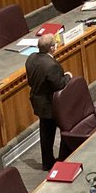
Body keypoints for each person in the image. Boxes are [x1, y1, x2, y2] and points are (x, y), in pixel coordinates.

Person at [25, 34, 70, 170]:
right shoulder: (51, 65)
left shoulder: (31, 58)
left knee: (45, 134)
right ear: (52, 48)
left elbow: (30, 80)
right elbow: (59, 84)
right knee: (66, 128)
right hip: (51, 104)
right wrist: (68, 76)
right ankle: (64, 158)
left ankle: (47, 163)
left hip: (38, 102)